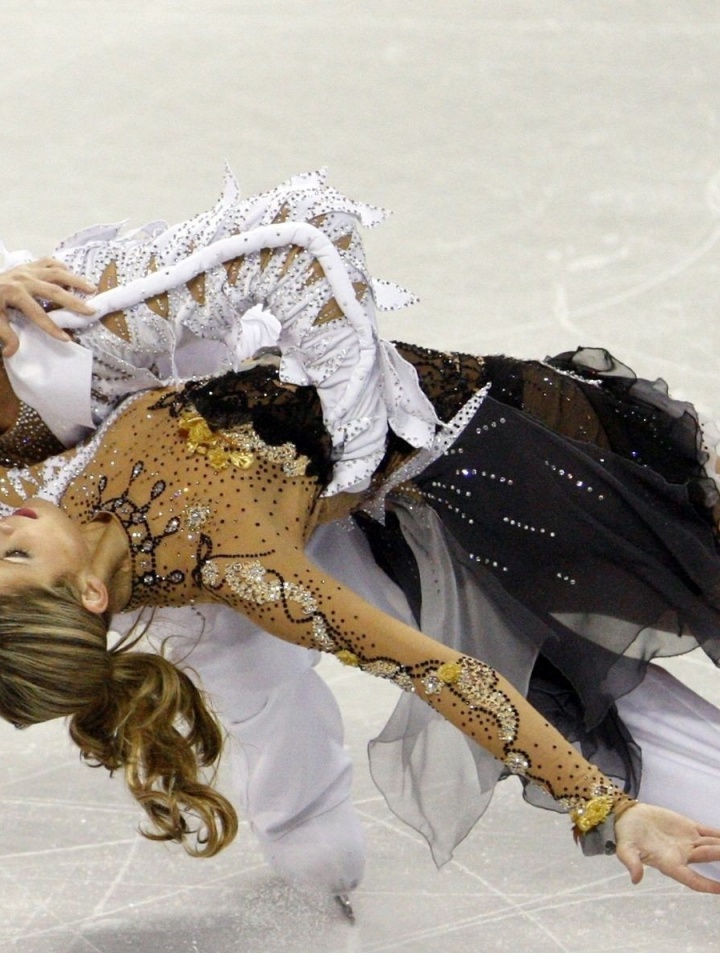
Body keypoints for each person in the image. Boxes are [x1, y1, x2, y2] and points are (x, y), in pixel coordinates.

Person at [1, 172, 720, 896]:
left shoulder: (41, 494)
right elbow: (439, 672)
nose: (9, 527)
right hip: (508, 472)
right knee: (628, 655)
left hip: (461, 451)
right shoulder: (243, 566)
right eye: (17, 553)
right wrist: (606, 809)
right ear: (92, 593)